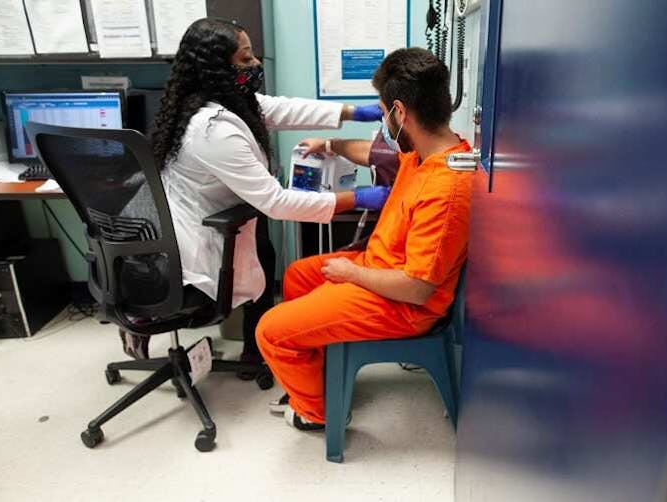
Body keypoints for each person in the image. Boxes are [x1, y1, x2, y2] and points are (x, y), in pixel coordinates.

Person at [119, 18, 390, 382]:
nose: (256, 66)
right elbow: (276, 202)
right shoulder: (212, 129)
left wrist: (355, 112)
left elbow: (279, 108)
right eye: (245, 59)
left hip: (200, 218)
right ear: (218, 68)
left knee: (262, 249)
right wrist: (358, 197)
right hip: (195, 241)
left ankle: (255, 348)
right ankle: (257, 346)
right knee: (259, 247)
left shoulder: (222, 101)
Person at [256, 47, 474, 430]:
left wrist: (351, 274)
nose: (384, 121)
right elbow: (372, 153)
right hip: (379, 268)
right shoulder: (425, 152)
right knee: (298, 276)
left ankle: (318, 413)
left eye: (383, 110)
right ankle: (322, 375)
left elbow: (417, 288)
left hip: (403, 302)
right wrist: (329, 145)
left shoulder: (447, 187)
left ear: (400, 112)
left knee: (270, 332)